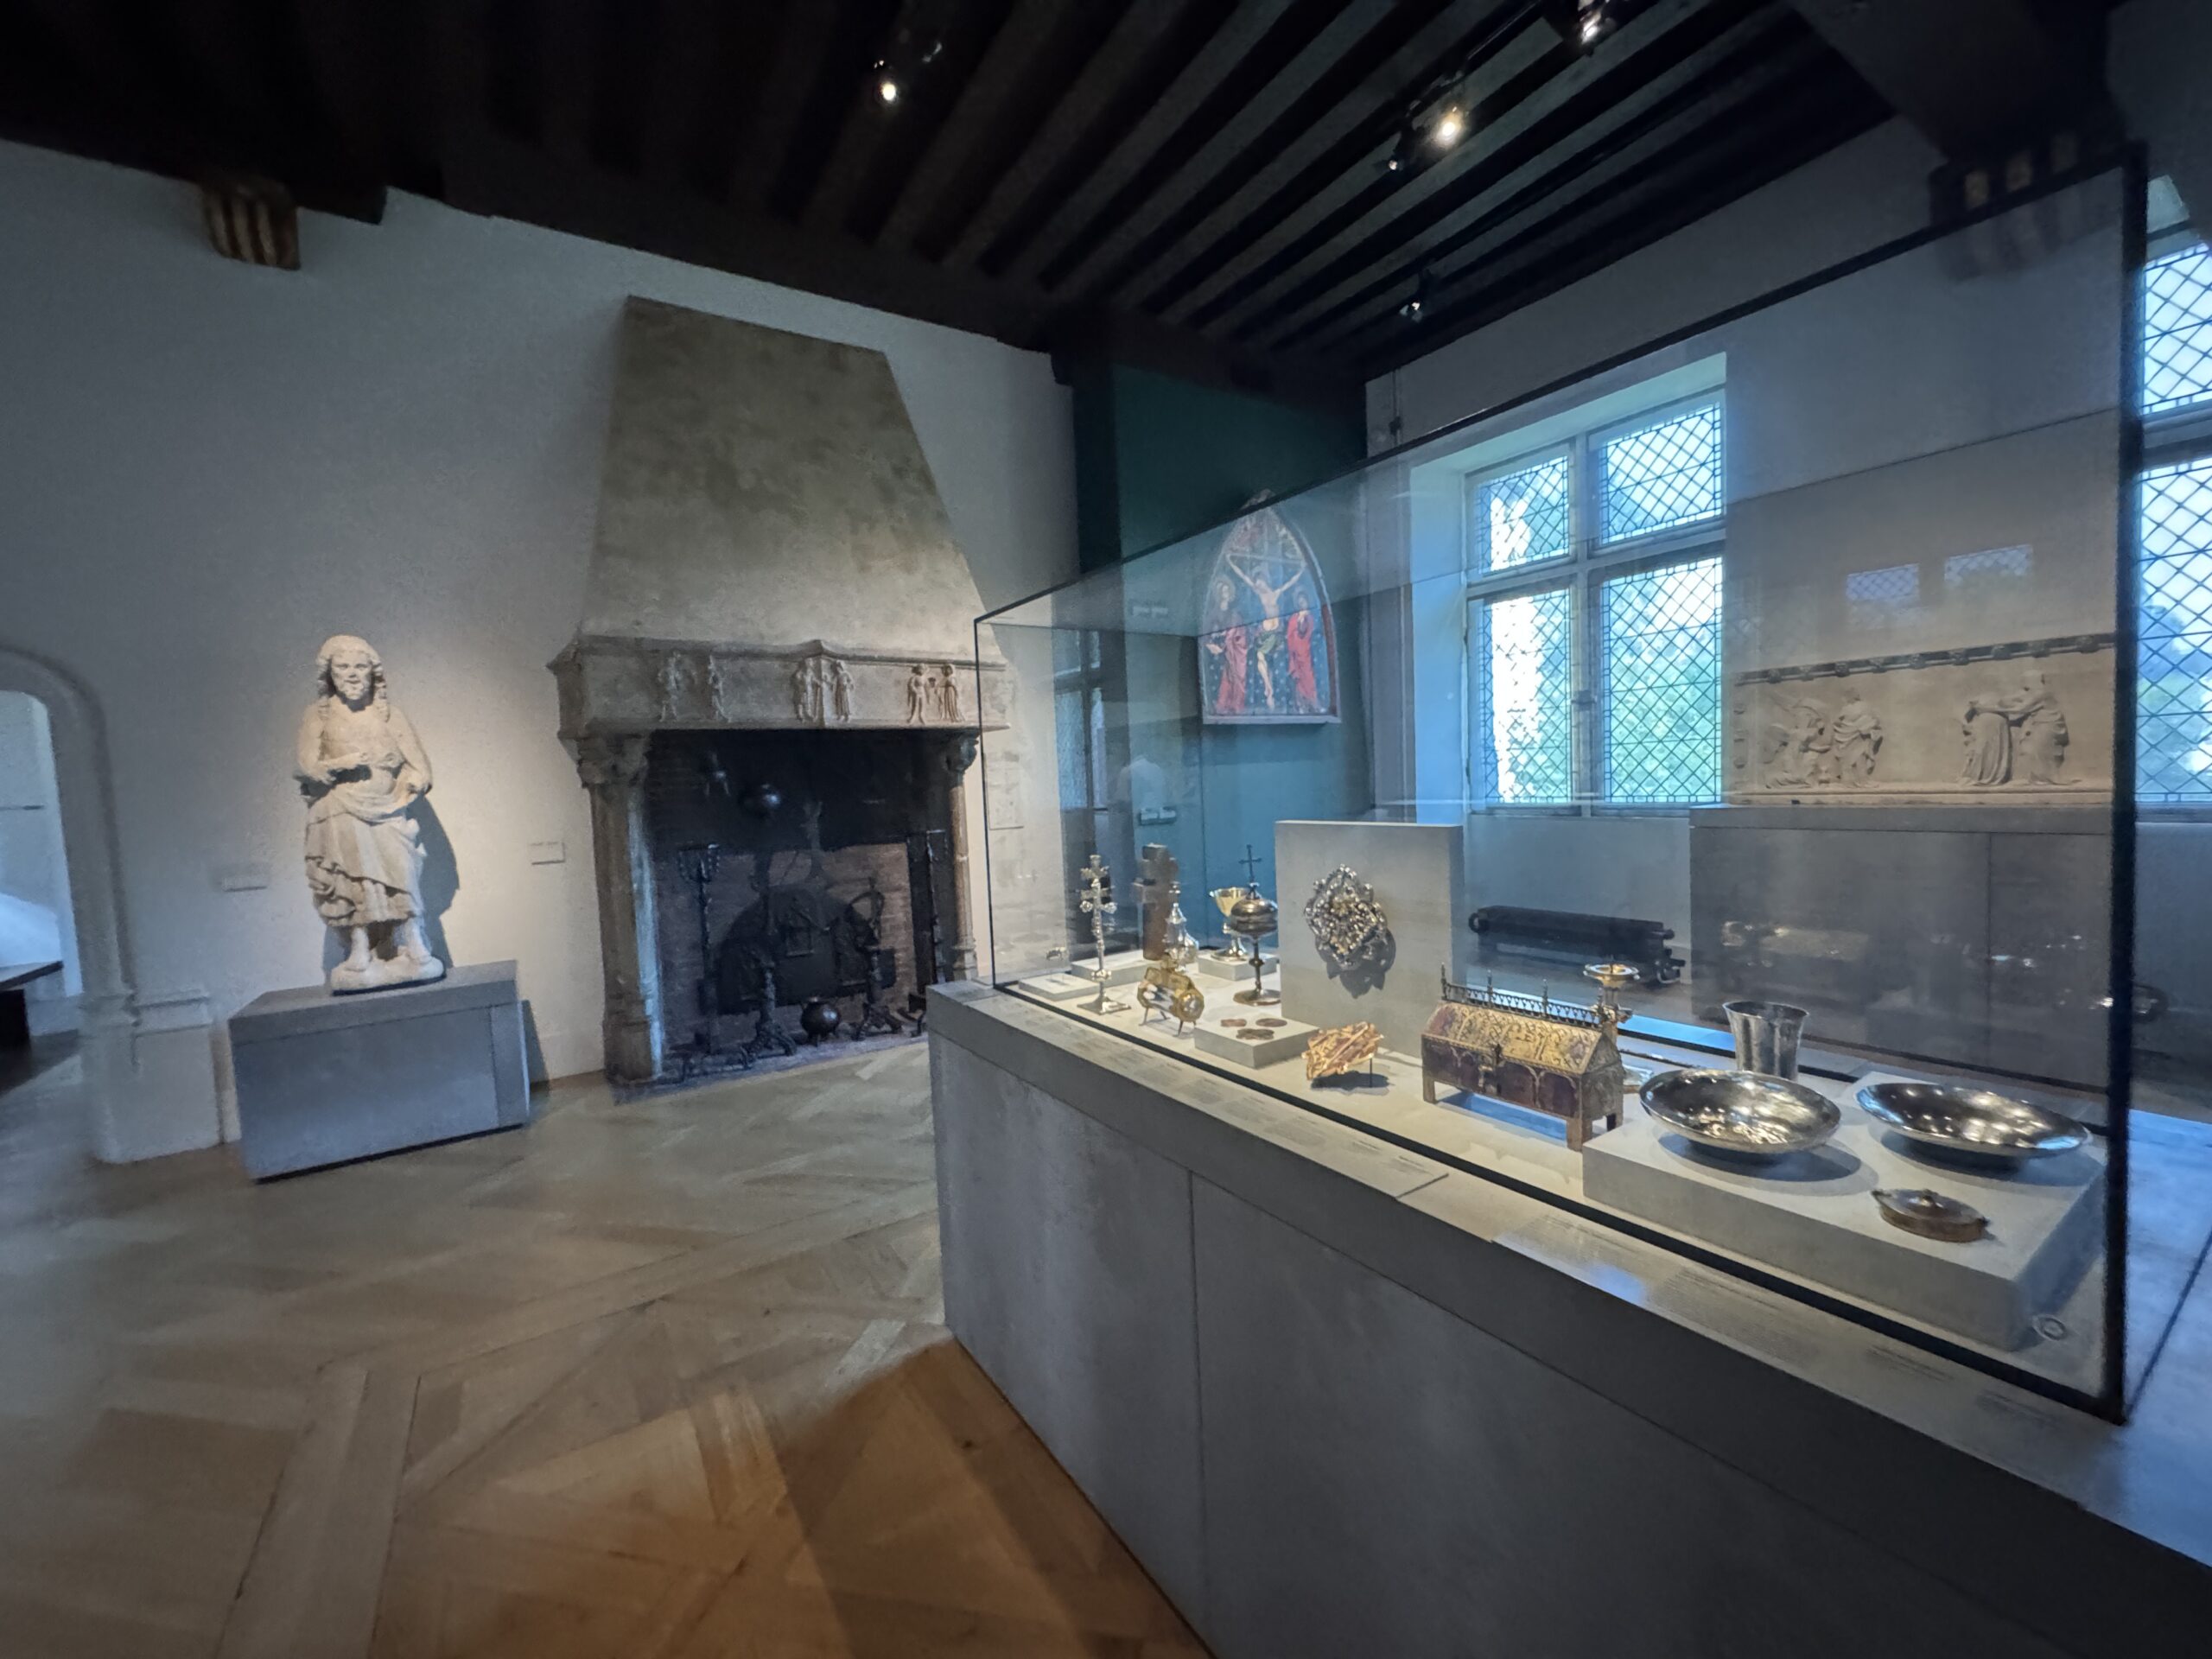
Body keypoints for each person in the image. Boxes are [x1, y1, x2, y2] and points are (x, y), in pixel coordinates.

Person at [296, 635, 442, 990]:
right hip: (341, 810)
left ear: (372, 672)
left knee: (402, 873)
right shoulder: (319, 716)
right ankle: (360, 949)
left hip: (388, 809)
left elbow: (421, 768)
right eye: (343, 667)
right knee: (353, 881)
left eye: (360, 666)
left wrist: (413, 781)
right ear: (330, 673)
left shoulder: (390, 715)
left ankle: (414, 941)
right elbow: (303, 766)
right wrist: (340, 764)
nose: (352, 674)